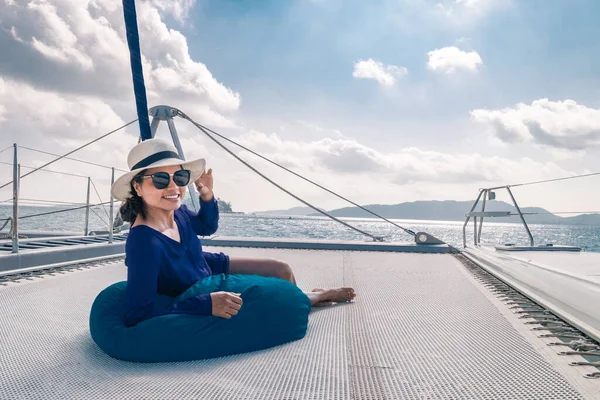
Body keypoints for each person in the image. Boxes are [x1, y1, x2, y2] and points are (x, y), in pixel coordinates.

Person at [111, 139, 356, 327]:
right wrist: (205, 304)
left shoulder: (178, 212)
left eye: (181, 176)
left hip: (205, 265)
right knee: (276, 291)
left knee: (281, 269)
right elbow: (137, 314)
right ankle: (311, 299)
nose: (174, 186)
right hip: (192, 285)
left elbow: (207, 227)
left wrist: (207, 195)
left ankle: (301, 300)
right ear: (137, 186)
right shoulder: (144, 242)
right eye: (161, 179)